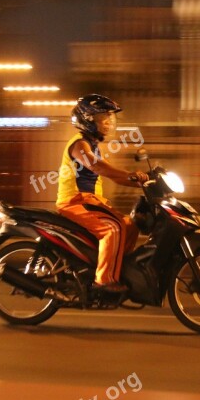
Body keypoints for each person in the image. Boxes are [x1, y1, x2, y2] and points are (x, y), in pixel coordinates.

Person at [56, 94, 149, 293]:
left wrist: (147, 182)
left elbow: (114, 176)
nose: (108, 123)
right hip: (74, 201)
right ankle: (104, 281)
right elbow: (98, 167)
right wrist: (129, 174)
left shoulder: (93, 146)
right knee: (112, 229)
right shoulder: (79, 144)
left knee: (130, 226)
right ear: (87, 120)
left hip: (91, 201)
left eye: (109, 119)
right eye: (102, 119)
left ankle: (115, 267)